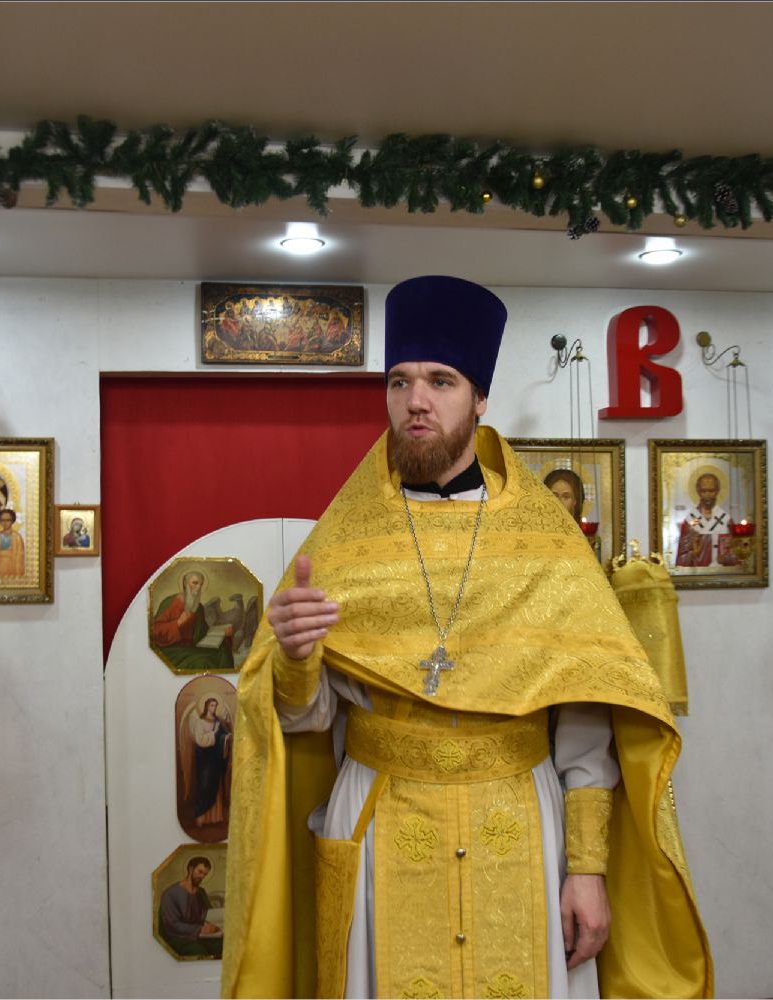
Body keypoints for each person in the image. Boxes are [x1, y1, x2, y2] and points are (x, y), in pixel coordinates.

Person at [221, 276, 711, 999]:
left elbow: (585, 719)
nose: (415, 401)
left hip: (519, 819)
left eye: (440, 381)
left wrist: (586, 867)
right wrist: (294, 661)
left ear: (479, 398)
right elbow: (306, 721)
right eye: (399, 381)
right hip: (382, 816)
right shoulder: (345, 540)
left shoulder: (544, 541)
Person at [152, 570, 234, 671]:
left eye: (201, 584)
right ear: (185, 584)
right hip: (172, 649)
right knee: (202, 662)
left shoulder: (199, 607)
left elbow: (203, 632)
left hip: (192, 647)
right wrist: (177, 623)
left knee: (223, 650)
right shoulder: (172, 602)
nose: (198, 587)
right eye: (195, 583)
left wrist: (223, 632)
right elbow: (155, 630)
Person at [184, 697, 233, 828]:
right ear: (206, 706)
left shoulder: (218, 722)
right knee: (205, 786)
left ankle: (216, 817)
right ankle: (201, 817)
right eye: (212, 705)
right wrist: (214, 734)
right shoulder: (200, 722)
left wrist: (226, 737)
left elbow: (224, 735)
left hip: (215, 759)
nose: (214, 708)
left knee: (216, 785)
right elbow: (201, 740)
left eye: (215, 705)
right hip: (204, 760)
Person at [159, 856, 223, 958]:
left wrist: (212, 925)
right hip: (178, 938)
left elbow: (209, 915)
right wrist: (200, 929)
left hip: (201, 936)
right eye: (200, 872)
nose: (202, 877)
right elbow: (172, 924)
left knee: (221, 944)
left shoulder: (201, 893)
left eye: (205, 874)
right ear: (191, 869)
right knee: (199, 950)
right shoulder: (170, 894)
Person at [675, 472, 738, 568]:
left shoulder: (726, 520)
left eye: (711, 491)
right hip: (698, 574)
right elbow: (681, 560)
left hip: (721, 574)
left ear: (717, 491)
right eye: (704, 491)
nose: (707, 495)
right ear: (698, 491)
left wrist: (727, 558)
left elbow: (737, 554)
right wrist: (693, 554)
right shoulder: (691, 521)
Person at [0, 508, 27, 578]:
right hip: (0, 567)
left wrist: (18, 576)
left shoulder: (17, 537)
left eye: (8, 520)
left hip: (13, 567)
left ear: (12, 521)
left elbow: (19, 558)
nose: (5, 523)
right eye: (3, 520)